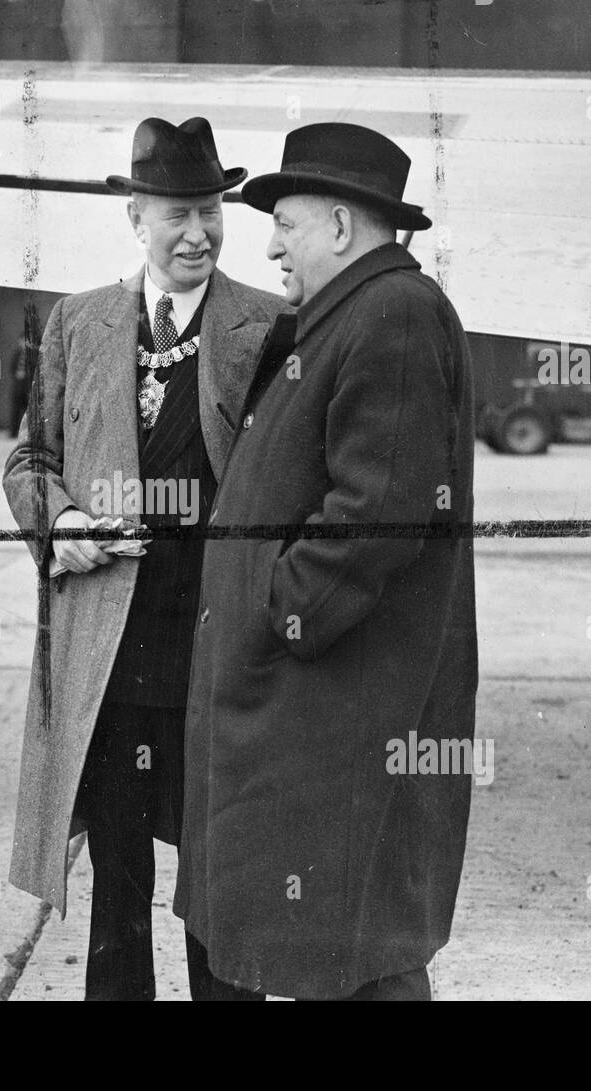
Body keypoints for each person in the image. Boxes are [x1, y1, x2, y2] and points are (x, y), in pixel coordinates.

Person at [176, 122, 479, 1001]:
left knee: (351, 944)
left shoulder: (392, 315)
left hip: (334, 704)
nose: (270, 244)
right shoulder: (358, 313)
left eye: (288, 224)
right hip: (317, 702)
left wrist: (279, 607)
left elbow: (376, 514)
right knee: (333, 937)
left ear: (342, 227)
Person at [3, 117, 285, 1000]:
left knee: (219, 877)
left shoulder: (270, 325)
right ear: (136, 216)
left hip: (213, 652)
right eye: (177, 214)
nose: (198, 232)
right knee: (115, 886)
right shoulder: (78, 323)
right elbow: (30, 461)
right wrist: (63, 524)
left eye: (211, 210)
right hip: (110, 662)